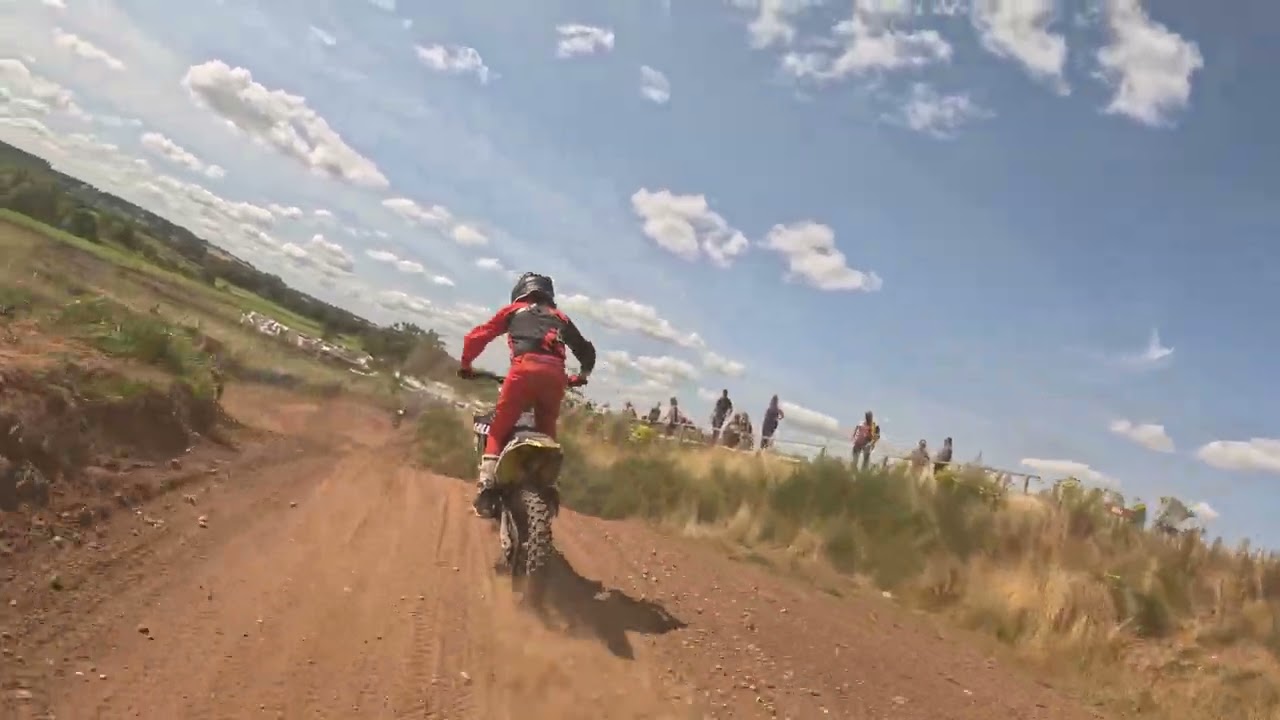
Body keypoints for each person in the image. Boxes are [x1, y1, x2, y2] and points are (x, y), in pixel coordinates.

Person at [457, 272, 596, 518]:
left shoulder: (514, 310)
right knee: (547, 433)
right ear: (548, 295)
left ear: (521, 291)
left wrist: (466, 365)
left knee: (499, 428)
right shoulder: (560, 317)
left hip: (522, 372)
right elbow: (586, 350)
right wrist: (581, 376)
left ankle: (487, 487)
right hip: (555, 378)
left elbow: (477, 337)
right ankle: (549, 485)